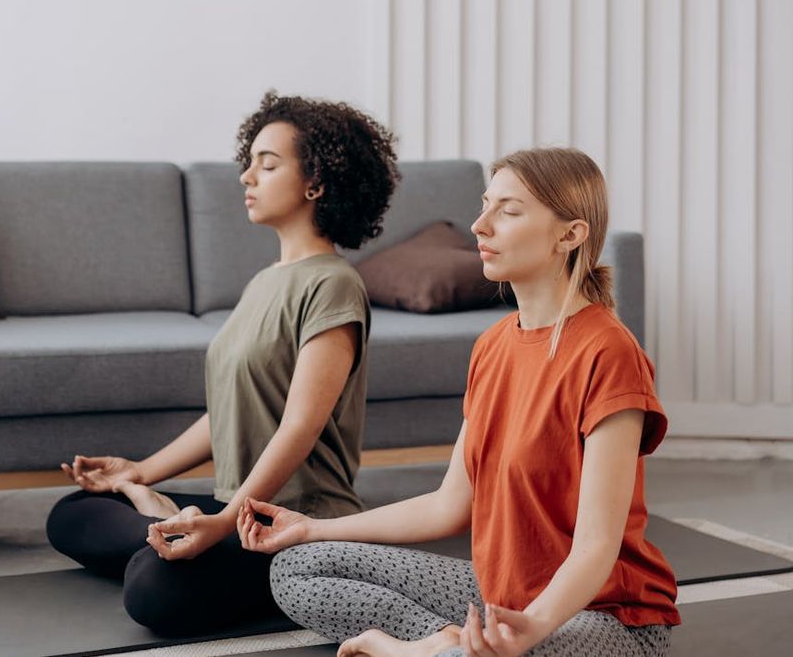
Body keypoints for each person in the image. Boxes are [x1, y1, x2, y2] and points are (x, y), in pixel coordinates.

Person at [236, 147, 681, 657]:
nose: (479, 226)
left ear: (570, 234)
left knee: (509, 653)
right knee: (298, 566)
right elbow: (449, 506)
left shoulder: (609, 352)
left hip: (604, 618)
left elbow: (597, 547)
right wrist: (313, 528)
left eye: (507, 211)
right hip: (500, 597)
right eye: (485, 205)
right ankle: (444, 645)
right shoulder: (492, 347)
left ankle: (427, 650)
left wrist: (529, 629)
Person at [46, 91, 399, 636]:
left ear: (317, 182)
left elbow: (300, 425)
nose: (246, 176)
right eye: (249, 160)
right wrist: (140, 472)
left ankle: (180, 535)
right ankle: (168, 523)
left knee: (151, 590)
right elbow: (231, 411)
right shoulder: (263, 282)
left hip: (294, 517)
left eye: (268, 162)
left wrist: (226, 521)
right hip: (234, 506)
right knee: (71, 512)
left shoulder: (333, 284)